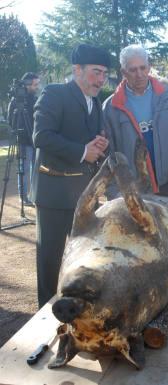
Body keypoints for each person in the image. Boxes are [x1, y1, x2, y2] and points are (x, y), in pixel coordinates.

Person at [31, 43, 110, 307]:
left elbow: (88, 144)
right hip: (53, 195)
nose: (101, 79)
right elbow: (41, 136)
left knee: (82, 256)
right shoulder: (55, 93)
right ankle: (45, 314)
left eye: (104, 74)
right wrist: (82, 151)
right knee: (50, 260)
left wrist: (97, 146)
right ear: (77, 70)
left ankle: (75, 309)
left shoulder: (96, 102)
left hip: (83, 195)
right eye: (96, 72)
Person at [103, 45, 168, 197]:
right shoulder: (111, 107)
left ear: (149, 67)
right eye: (132, 70)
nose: (139, 74)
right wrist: (114, 193)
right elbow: (108, 156)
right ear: (123, 72)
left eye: (143, 68)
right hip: (134, 190)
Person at [8, 72, 40, 206]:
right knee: (24, 170)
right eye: (35, 84)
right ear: (27, 85)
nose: (37, 87)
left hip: (36, 140)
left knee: (35, 170)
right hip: (23, 141)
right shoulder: (16, 101)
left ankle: (34, 195)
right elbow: (11, 120)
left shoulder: (36, 99)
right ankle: (23, 197)